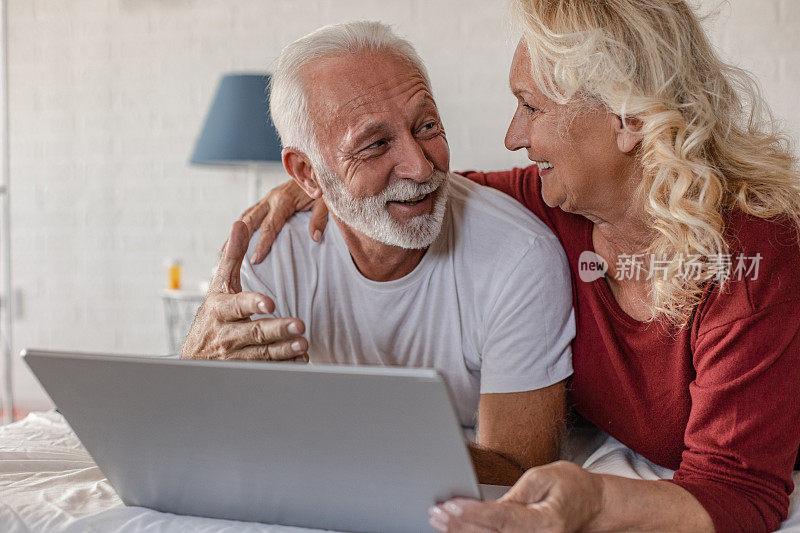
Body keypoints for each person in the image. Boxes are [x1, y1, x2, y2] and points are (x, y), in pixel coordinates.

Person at [240, 2, 800, 531]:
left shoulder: (750, 253)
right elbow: (416, 195)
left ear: (628, 119)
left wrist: (595, 501)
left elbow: (741, 492)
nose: (514, 136)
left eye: (531, 107)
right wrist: (312, 188)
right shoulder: (554, 201)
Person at [182, 21, 576, 487]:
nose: (420, 166)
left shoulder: (518, 255)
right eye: (375, 145)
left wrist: (329, 443)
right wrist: (195, 371)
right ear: (307, 173)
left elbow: (516, 472)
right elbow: (206, 442)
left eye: (426, 127)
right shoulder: (270, 254)